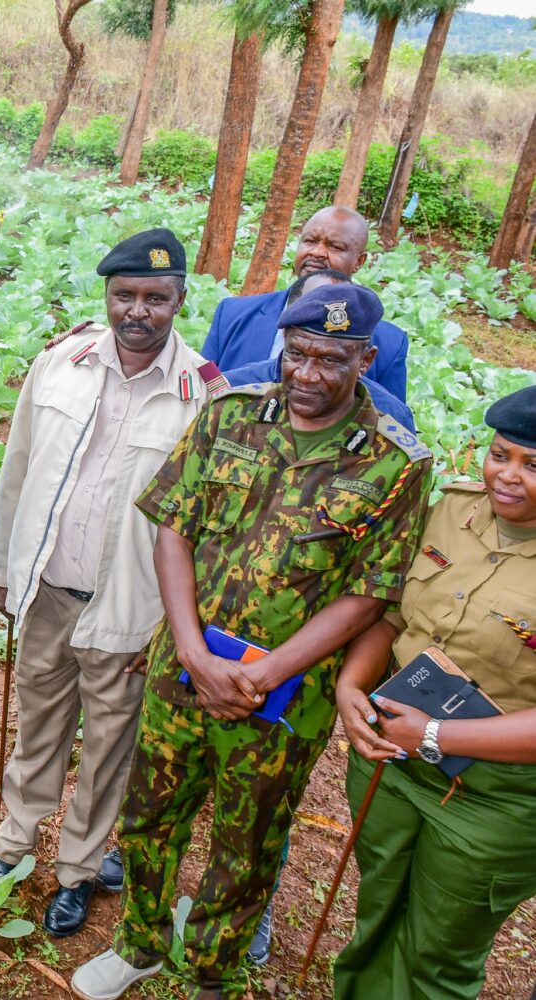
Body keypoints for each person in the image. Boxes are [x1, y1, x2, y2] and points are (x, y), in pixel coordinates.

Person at [70, 284, 433, 1000]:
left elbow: (369, 594)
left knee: (249, 840)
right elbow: (173, 526)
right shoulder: (229, 413)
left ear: (364, 359)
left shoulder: (395, 465)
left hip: (283, 698)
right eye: (296, 354)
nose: (307, 375)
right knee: (148, 816)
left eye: (330, 360)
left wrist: (263, 674)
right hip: (183, 668)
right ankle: (140, 943)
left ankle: (212, 968)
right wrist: (193, 653)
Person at [0, 229, 224, 938]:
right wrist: (3, 572)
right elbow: (17, 469)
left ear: (179, 299)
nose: (138, 311)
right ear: (107, 296)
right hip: (50, 591)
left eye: (156, 297)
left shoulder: (202, 397)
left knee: (109, 749)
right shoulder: (60, 363)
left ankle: (77, 871)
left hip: (128, 613)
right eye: (125, 295)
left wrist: (171, 630)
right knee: (38, 730)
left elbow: (204, 528)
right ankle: (10, 846)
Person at [333, 384, 536, 1000]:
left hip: (494, 800)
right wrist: (350, 683)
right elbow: (396, 617)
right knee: (377, 915)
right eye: (501, 454)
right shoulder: (451, 510)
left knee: (438, 956)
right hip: (392, 766)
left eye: (533, 466)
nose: (508, 476)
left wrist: (432, 735)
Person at [202, 207, 409, 402]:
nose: (317, 252)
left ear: (359, 262)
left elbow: (387, 417)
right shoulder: (232, 314)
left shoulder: (389, 344)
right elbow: (202, 391)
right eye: (310, 241)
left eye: (335, 246)